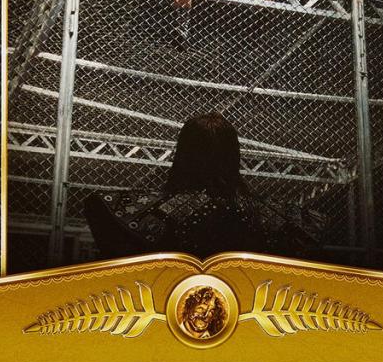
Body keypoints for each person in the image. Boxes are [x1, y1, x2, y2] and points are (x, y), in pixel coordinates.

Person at [84, 112, 322, 261]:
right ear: (233, 156)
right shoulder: (271, 218)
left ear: (184, 156)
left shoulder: (148, 213)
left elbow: (99, 210)